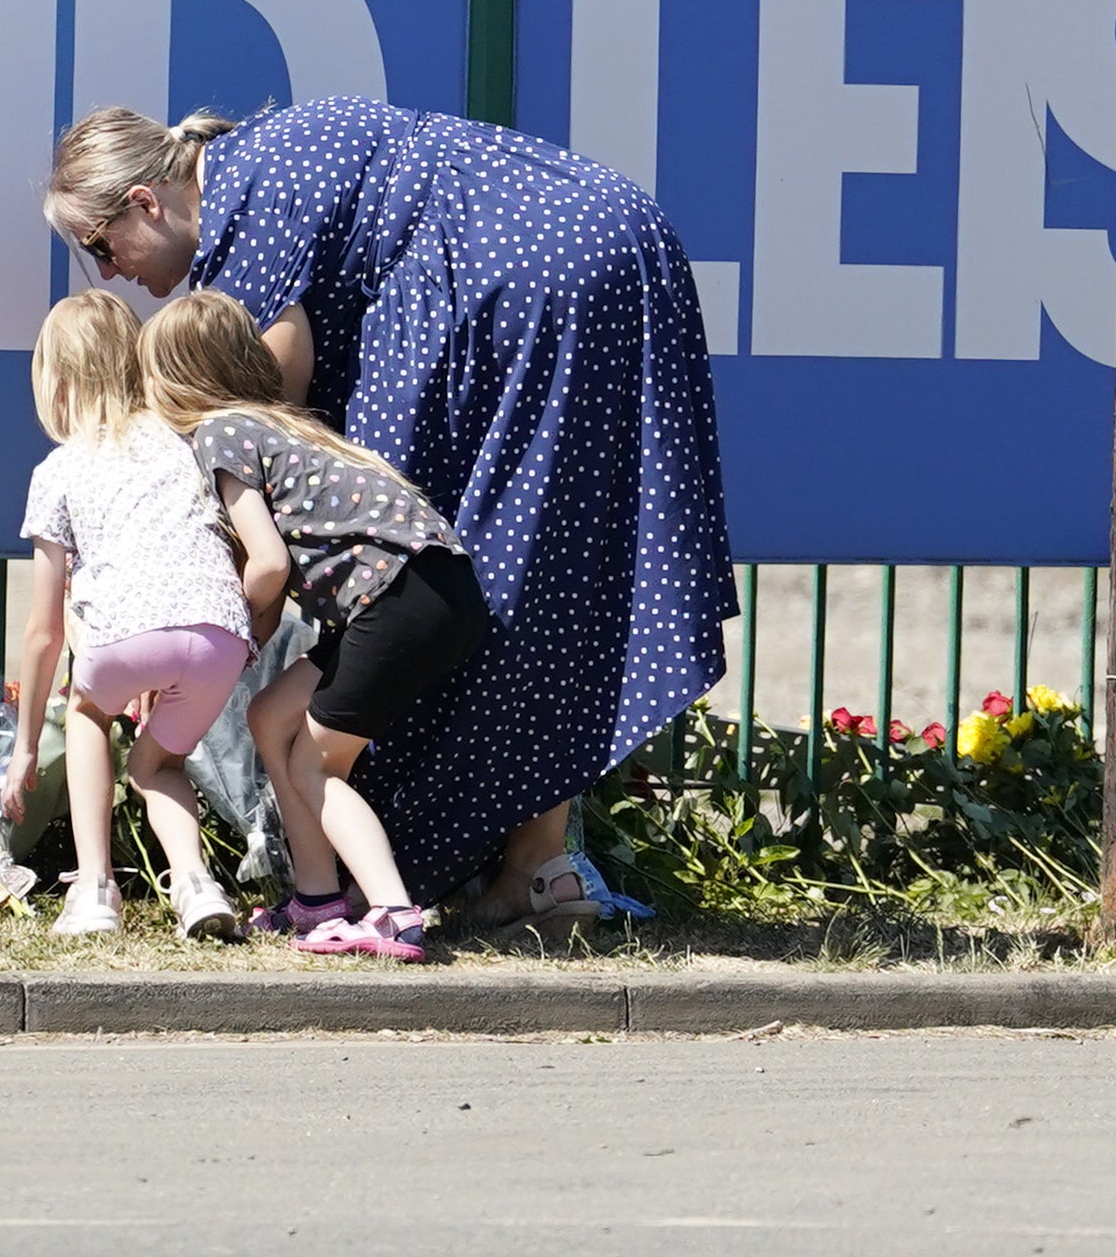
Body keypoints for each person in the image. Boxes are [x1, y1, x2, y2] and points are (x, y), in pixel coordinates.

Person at [45, 98, 737, 927]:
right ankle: (538, 867)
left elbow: (275, 403)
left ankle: (373, 877)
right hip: (613, 240)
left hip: (523, 278)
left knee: (464, 573)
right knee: (549, 564)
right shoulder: (265, 158)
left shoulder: (238, 219)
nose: (109, 270)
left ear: (145, 203)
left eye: (98, 245)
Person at [140, 290, 488, 962]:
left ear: (174, 379)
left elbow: (267, 563)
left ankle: (391, 912)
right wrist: (254, 641)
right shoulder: (274, 423)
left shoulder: (218, 434)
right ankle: (318, 900)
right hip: (427, 587)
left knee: (316, 761)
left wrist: (229, 638)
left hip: (394, 598)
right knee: (272, 715)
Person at [0, 288, 254, 942]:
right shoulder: (184, 440)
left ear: (58, 380)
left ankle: (94, 887)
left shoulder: (59, 470)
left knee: (87, 714)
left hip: (120, 641)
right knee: (155, 765)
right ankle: (195, 882)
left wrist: (26, 745)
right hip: (218, 635)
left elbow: (45, 630)